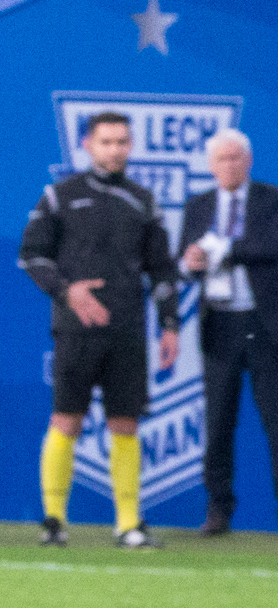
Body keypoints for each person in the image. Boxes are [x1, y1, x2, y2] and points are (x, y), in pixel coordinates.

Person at [19, 110, 178, 549]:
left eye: (122, 141)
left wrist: (169, 323)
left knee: (125, 423)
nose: (115, 150)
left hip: (127, 328)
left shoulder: (143, 201)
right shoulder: (60, 195)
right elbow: (31, 255)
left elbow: (162, 270)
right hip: (76, 329)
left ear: (131, 146)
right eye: (106, 142)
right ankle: (54, 520)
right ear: (87, 145)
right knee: (66, 419)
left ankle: (128, 524)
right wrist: (67, 291)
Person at [178, 130, 278, 536]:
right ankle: (218, 508)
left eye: (236, 157)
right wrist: (192, 261)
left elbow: (272, 246)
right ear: (210, 166)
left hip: (265, 323)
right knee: (218, 421)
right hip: (219, 324)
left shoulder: (272, 199)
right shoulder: (198, 206)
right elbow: (185, 258)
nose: (230, 165)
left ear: (249, 160)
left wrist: (221, 250)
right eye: (222, 159)